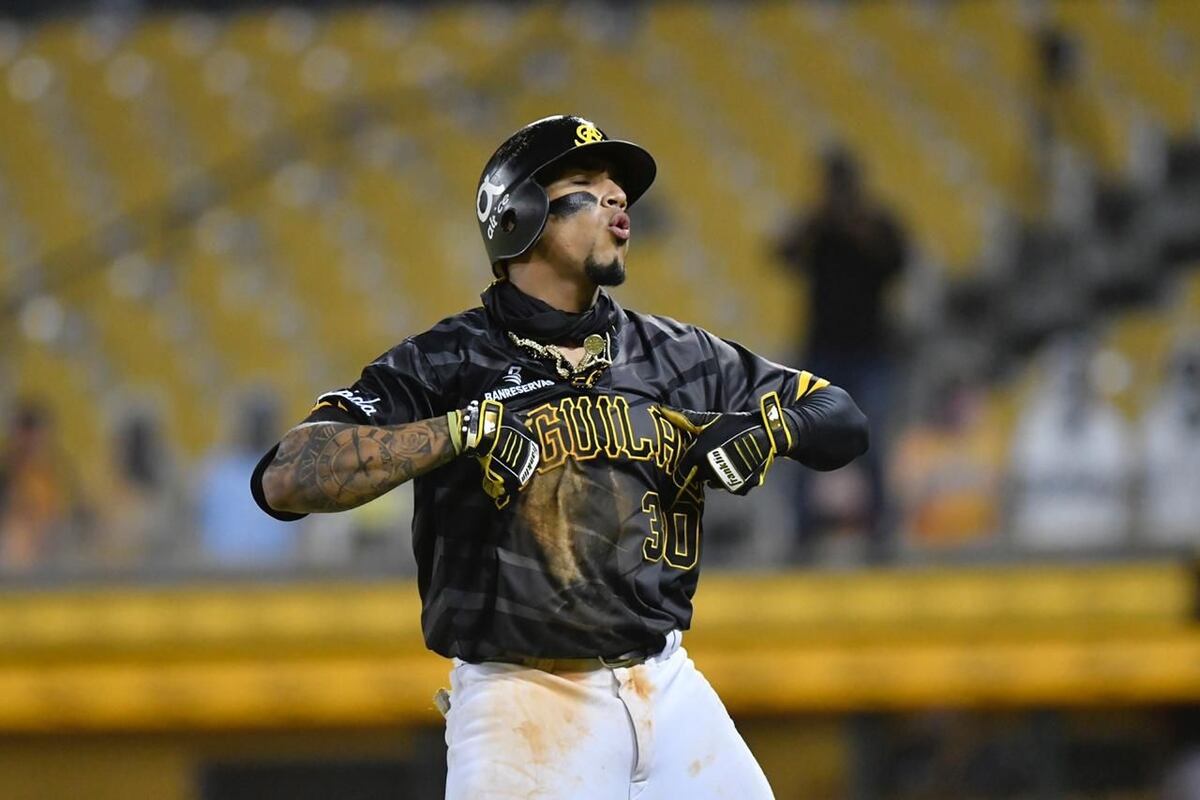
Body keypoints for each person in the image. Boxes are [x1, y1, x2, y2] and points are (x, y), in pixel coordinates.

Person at [251, 115, 868, 799]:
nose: (617, 200)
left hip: (666, 681)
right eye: (586, 186)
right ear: (517, 215)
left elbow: (840, 417)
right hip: (521, 696)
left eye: (618, 190)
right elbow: (287, 476)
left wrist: (766, 429)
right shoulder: (448, 360)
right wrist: (455, 432)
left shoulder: (675, 352)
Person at [776, 147, 907, 559]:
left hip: (868, 351)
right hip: (822, 350)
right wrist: (819, 220)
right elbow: (783, 254)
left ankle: (880, 530)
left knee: (871, 442)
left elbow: (897, 261)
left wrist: (853, 226)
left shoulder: (877, 223)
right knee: (803, 440)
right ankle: (803, 531)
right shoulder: (817, 226)